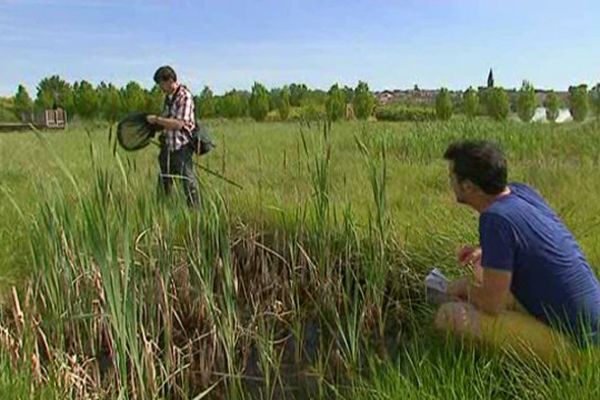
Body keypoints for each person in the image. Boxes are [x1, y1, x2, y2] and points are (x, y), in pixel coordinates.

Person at [435, 139, 600, 366]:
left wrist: (465, 288)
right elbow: (536, 240)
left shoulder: (494, 219)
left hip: (580, 347)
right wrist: (486, 251)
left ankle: (492, 371)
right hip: (591, 328)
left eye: (451, 177)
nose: (449, 182)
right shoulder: (522, 193)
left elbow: (493, 303)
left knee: (448, 315)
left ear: (468, 187)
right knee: (482, 275)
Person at [146, 65, 199, 207]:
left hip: (182, 148)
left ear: (170, 80)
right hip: (167, 147)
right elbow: (166, 121)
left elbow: (179, 124)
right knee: (163, 184)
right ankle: (162, 210)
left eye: (161, 84)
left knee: (189, 183)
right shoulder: (168, 98)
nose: (160, 88)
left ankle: (196, 213)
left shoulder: (185, 96)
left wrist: (157, 119)